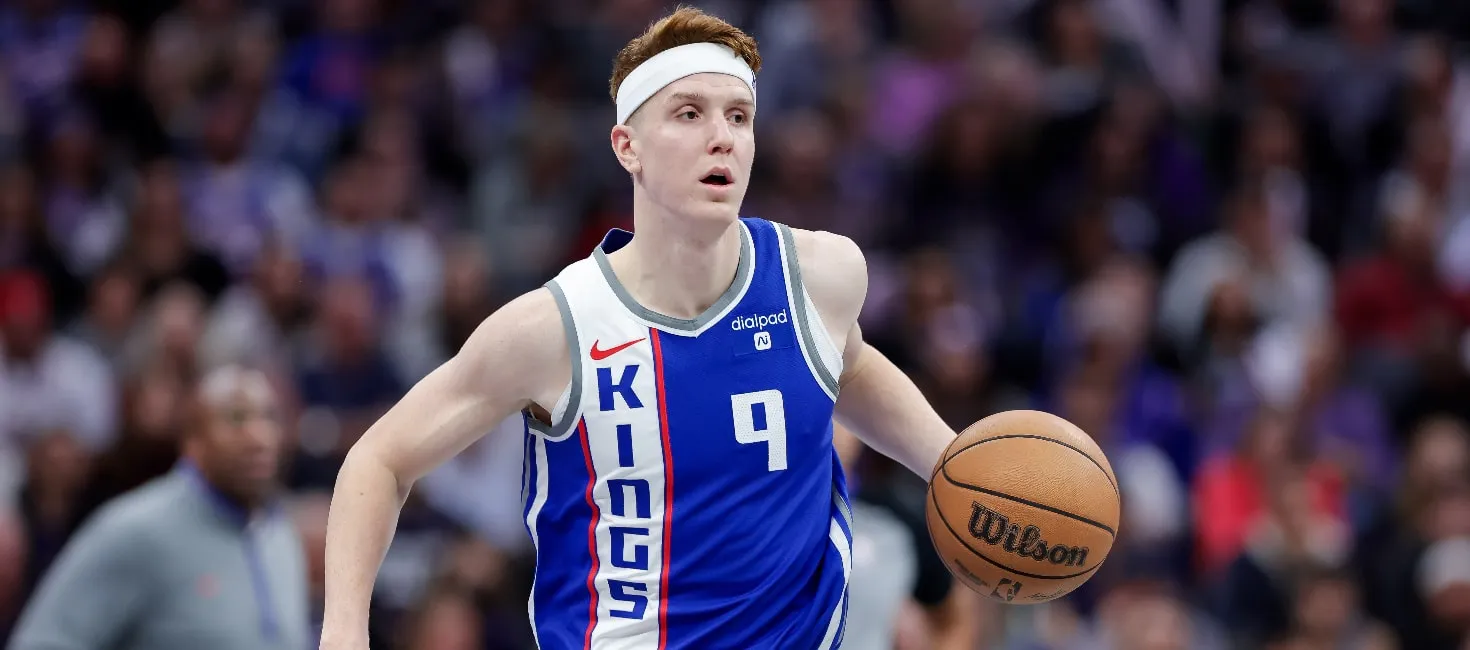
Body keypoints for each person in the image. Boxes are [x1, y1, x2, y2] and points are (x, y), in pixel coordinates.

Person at [319, 7, 960, 649]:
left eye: (739, 116)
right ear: (628, 146)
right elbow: (379, 460)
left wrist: (951, 463)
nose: (722, 137)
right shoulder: (555, 328)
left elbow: (847, 364)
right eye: (690, 113)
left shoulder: (819, 277)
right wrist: (344, 631)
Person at [8, 364, 309, 650]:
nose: (258, 438)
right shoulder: (137, 530)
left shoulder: (280, 533)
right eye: (235, 419)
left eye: (270, 417)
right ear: (193, 441)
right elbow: (43, 642)